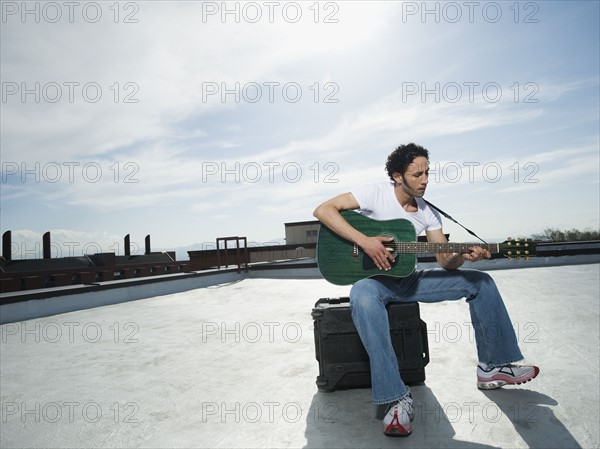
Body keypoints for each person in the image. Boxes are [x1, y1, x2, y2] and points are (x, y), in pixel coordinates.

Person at [312, 143, 539, 437]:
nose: (425, 179)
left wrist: (463, 255)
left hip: (408, 280)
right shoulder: (374, 192)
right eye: (417, 174)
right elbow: (323, 210)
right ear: (397, 176)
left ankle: (492, 366)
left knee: (481, 282)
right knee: (362, 296)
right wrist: (365, 241)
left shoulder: (429, 213)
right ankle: (395, 398)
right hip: (374, 283)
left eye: (427, 172)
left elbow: (445, 260)